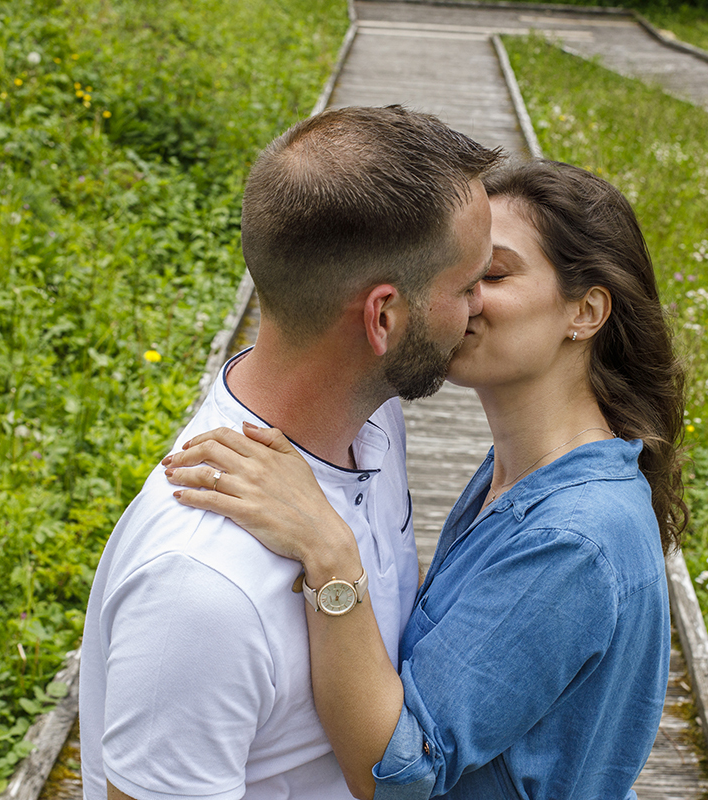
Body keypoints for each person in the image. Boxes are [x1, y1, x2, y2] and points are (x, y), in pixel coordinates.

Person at [163, 159, 689, 799]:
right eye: (459, 272)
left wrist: (331, 554)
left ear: (585, 310)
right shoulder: (523, 476)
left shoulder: (574, 540)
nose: (462, 298)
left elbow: (402, 775)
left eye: (491, 274)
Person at [78, 105, 503, 800]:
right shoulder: (203, 591)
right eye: (466, 285)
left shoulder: (374, 416)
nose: (482, 306)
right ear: (384, 317)